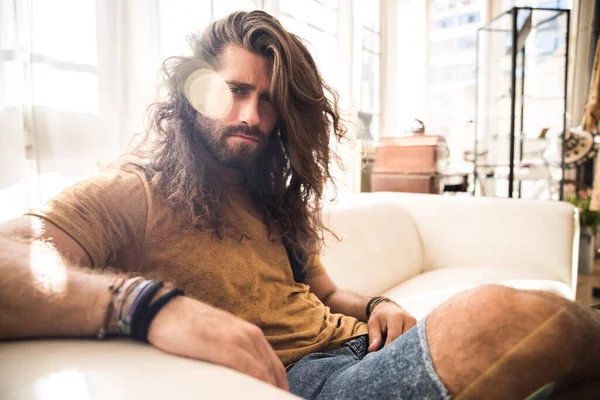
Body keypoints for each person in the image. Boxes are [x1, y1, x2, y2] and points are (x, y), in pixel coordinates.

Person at [0, 10, 599, 399]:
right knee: (508, 318)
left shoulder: (272, 197)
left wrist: (378, 303)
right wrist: (149, 307)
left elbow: (325, 292)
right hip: (302, 379)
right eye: (236, 91)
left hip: (358, 342)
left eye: (270, 100)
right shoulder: (130, 191)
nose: (252, 116)